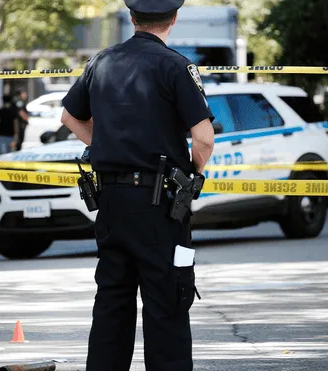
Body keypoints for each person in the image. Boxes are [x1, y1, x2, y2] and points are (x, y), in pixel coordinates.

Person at [59, 1, 216, 370]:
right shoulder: (176, 66)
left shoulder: (101, 62)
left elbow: (69, 115)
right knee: (167, 302)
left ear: (132, 18)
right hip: (160, 205)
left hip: (111, 202)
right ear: (173, 19)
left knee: (112, 303)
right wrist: (190, 175)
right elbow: (204, 138)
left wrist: (102, 145)